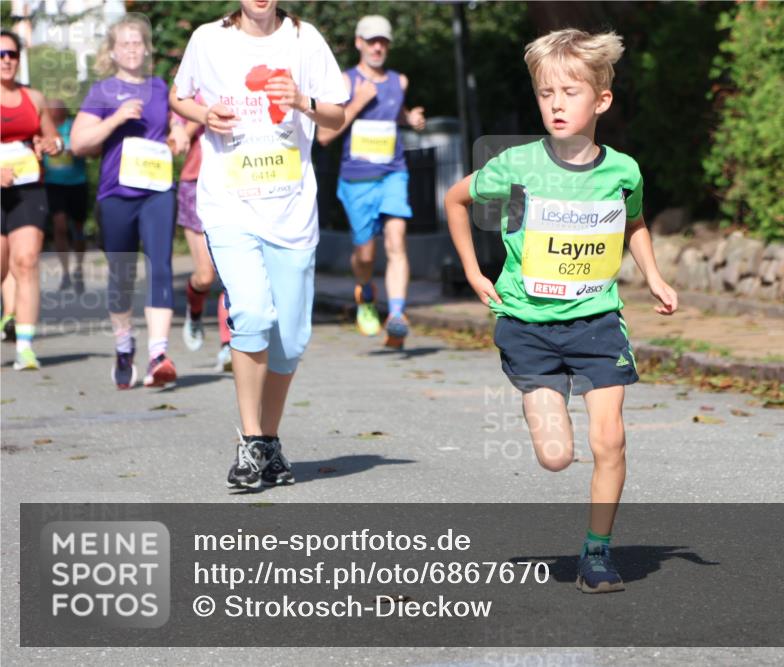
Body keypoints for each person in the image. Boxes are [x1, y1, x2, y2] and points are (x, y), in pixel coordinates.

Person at [445, 29, 678, 593]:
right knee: (555, 457)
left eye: (569, 93)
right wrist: (475, 272)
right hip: (528, 324)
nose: (555, 104)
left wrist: (654, 276)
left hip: (598, 321)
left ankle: (597, 553)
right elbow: (455, 199)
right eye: (546, 93)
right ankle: (542, 406)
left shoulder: (622, 171)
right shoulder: (516, 164)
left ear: (600, 101)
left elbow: (635, 222)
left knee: (611, 440)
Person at [170, 0, 347, 489]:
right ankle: (250, 442)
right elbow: (178, 95)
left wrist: (302, 102)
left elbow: (336, 116)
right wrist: (205, 113)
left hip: (290, 214)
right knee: (251, 312)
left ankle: (268, 441)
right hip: (229, 207)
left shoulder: (304, 39)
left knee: (290, 340)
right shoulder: (209, 39)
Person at [71, 14, 189, 389]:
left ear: (146, 48)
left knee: (160, 266)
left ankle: (158, 354)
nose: (132, 49)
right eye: (125, 44)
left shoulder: (159, 87)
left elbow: (177, 122)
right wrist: (116, 119)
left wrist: (179, 131)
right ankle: (124, 347)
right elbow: (79, 143)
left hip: (157, 191)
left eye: (138, 42)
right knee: (121, 276)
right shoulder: (102, 92)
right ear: (113, 51)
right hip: (116, 195)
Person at [317, 15, 425, 348]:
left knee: (396, 240)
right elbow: (323, 135)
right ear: (359, 43)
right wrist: (359, 101)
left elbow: (398, 113)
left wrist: (412, 119)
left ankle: (396, 314)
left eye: (383, 41)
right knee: (365, 254)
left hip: (393, 172)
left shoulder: (399, 81)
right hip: (357, 180)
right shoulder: (345, 82)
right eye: (371, 41)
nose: (378, 47)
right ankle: (365, 294)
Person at [1, 29, 61, 370]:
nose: (6, 60)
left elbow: (50, 136)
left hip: (28, 187)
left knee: (25, 261)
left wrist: (52, 144)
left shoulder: (33, 98)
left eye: (11, 54)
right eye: (0, 55)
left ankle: (25, 347)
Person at [174, 97, 233, 371]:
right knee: (206, 276)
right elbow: (175, 144)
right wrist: (201, 113)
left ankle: (228, 346)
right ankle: (194, 310)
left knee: (232, 274)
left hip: (234, 182)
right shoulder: (186, 93)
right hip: (194, 183)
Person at [44, 98, 89, 294]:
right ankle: (65, 273)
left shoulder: (73, 126)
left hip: (77, 183)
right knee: (59, 226)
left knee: (78, 229)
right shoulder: (44, 129)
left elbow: (86, 147)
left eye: (57, 107)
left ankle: (78, 269)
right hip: (53, 185)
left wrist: (74, 148)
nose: (53, 111)